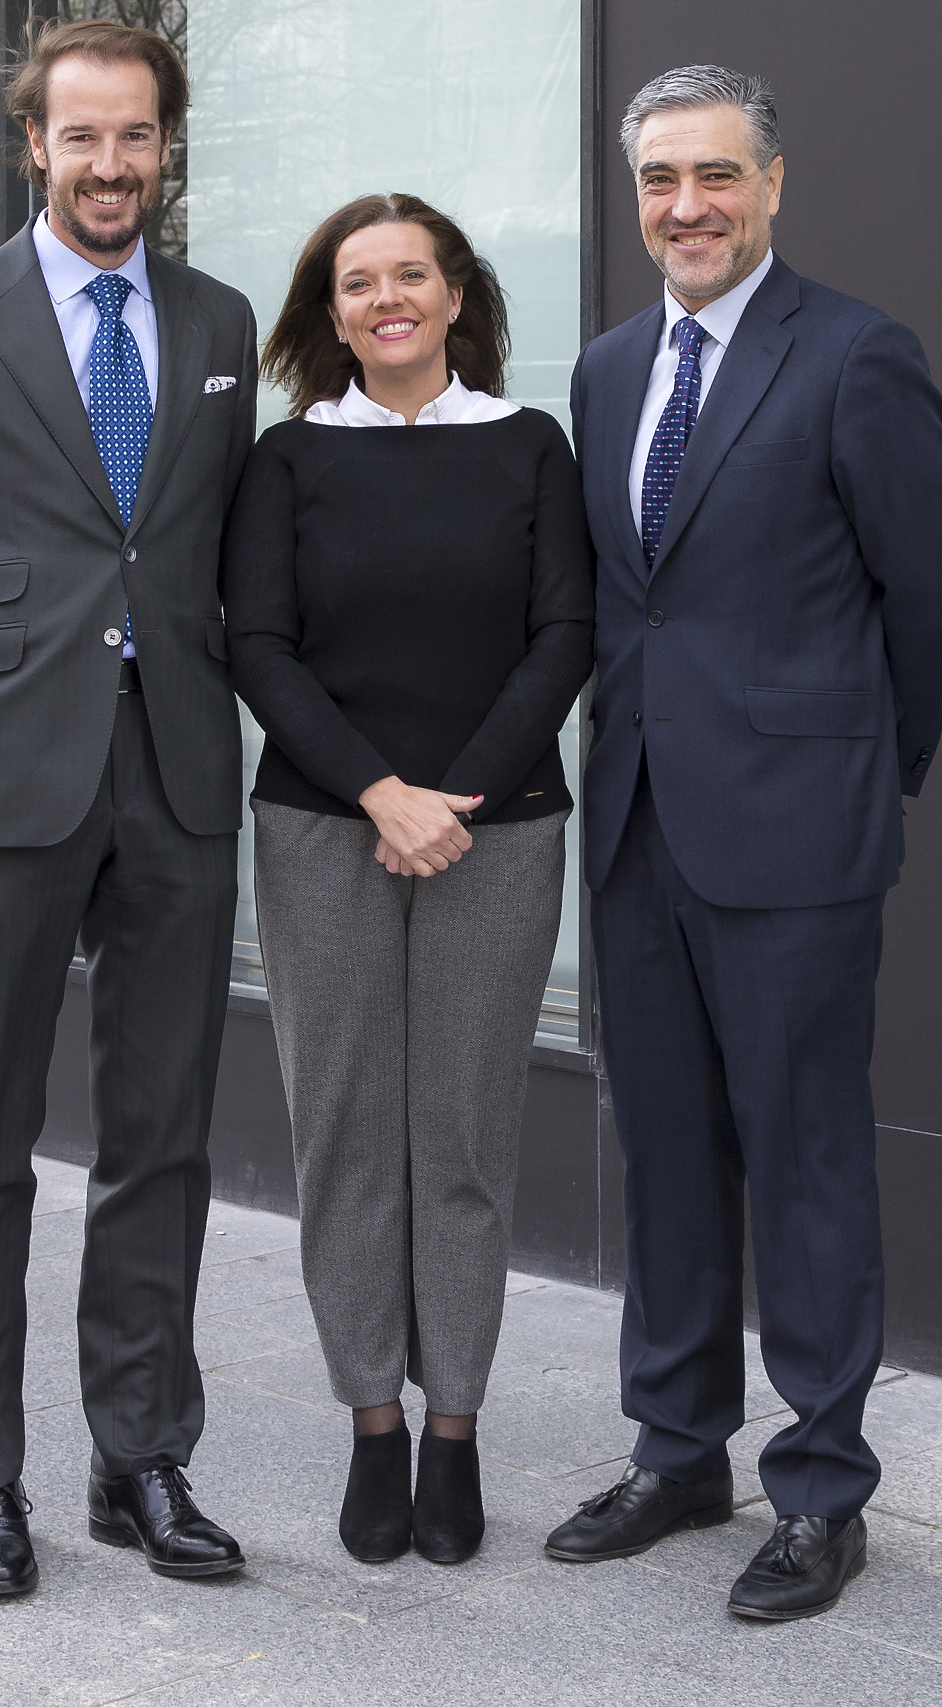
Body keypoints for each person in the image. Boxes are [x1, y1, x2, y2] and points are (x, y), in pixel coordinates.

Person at [0, 20, 261, 1601]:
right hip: (3, 773)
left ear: (165, 147)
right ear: (35, 143)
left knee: (161, 1140)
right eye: (80, 136)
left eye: (135, 136)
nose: (108, 165)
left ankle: (140, 1457)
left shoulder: (217, 322)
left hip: (176, 776)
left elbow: (204, 554)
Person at [547, 64, 942, 1621]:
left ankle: (817, 1484)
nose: (685, 207)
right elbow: (623, 596)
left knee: (801, 1159)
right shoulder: (604, 370)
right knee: (660, 1150)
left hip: (795, 834)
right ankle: (676, 1449)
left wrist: (863, 769)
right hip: (643, 824)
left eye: (713, 175)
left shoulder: (855, 355)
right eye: (658, 179)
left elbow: (930, 608)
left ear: (773, 184)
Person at [222, 194, 592, 1569]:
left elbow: (565, 632)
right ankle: (371, 1420)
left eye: (409, 276)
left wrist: (456, 800)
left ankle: (455, 1427)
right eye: (355, 281)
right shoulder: (285, 462)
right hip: (325, 828)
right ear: (330, 312)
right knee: (342, 1134)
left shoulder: (529, 445)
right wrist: (381, 793)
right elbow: (257, 644)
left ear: (453, 295)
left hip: (497, 832)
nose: (385, 298)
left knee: (464, 1139)